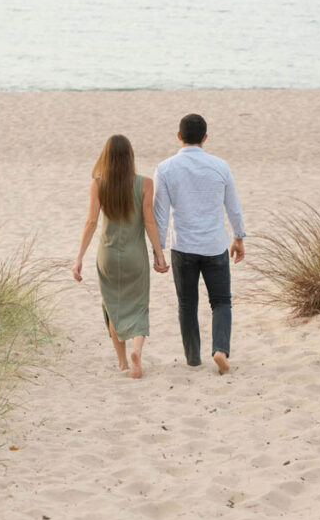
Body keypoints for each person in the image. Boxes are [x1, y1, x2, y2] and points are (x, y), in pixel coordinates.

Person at [153, 114, 246, 375]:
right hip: (215, 245)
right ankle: (219, 350)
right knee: (221, 302)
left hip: (183, 246)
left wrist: (158, 251)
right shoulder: (220, 166)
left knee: (186, 304)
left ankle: (193, 358)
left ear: (179, 136)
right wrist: (238, 237)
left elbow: (159, 213)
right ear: (205, 138)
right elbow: (234, 208)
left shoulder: (165, 168)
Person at [73, 135, 169, 379]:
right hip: (135, 254)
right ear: (130, 157)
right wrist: (159, 254)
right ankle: (137, 351)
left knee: (113, 306)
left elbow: (91, 222)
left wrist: (79, 258)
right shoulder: (145, 183)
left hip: (107, 255)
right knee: (138, 305)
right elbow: (149, 221)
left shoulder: (97, 184)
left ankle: (123, 363)